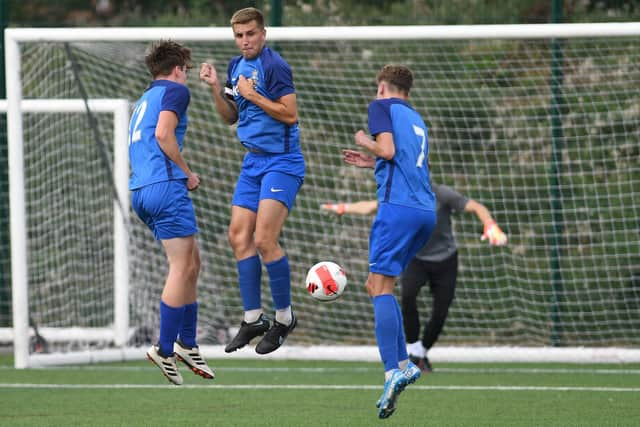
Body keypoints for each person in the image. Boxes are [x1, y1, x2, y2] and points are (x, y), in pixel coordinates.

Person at [199, 7, 304, 355]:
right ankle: (252, 318)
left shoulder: (275, 66)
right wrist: (217, 88)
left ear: (263, 34)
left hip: (282, 162)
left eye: (250, 34)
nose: (245, 41)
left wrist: (255, 94)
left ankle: (285, 318)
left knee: (263, 238)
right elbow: (230, 117)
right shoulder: (235, 67)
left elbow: (290, 114)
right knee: (238, 235)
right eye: (239, 35)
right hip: (253, 162)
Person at [322, 184, 508, 373]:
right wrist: (343, 208)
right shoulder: (402, 195)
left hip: (446, 260)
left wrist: (490, 224)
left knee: (441, 310)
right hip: (416, 259)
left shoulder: (442, 195)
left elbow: (477, 207)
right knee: (407, 297)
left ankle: (422, 352)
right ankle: (413, 348)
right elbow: (371, 206)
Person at [343, 64, 436, 419]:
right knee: (379, 284)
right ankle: (404, 364)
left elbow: (387, 149)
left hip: (397, 209)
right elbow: (401, 160)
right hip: (424, 211)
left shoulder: (380, 106)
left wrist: (365, 141)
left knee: (378, 287)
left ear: (383, 87)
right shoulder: (416, 118)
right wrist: (373, 163)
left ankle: (392, 370)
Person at [129, 40, 214, 385]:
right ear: (178, 68)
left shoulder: (144, 98)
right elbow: (164, 135)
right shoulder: (174, 91)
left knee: (193, 262)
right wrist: (187, 172)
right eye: (187, 71)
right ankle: (164, 349)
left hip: (142, 189)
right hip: (166, 186)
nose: (187, 77)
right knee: (181, 266)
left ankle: (188, 343)